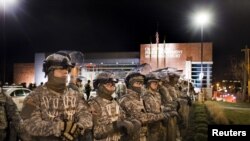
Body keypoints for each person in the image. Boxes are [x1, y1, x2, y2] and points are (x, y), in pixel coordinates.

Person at [20, 52, 93, 141]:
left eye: (67, 68)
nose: (65, 71)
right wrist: (60, 127)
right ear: (50, 71)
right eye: (60, 68)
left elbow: (87, 116)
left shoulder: (76, 95)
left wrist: (78, 128)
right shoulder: (33, 97)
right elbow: (28, 124)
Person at [88, 71, 140, 141]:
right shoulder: (93, 104)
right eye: (108, 83)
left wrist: (131, 122)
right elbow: (96, 133)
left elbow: (122, 119)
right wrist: (116, 125)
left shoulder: (115, 102)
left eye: (113, 83)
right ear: (99, 86)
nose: (112, 85)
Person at [119, 72, 169, 141]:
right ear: (130, 84)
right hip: (134, 137)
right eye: (137, 83)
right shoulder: (127, 100)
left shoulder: (139, 98)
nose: (140, 86)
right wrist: (161, 116)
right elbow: (141, 117)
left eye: (141, 84)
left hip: (144, 134)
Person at [142, 73, 168, 141]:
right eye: (154, 82)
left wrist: (163, 110)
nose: (156, 83)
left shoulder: (157, 95)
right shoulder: (145, 96)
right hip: (151, 128)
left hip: (160, 125)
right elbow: (147, 113)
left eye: (157, 82)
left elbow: (159, 107)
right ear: (148, 83)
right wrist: (161, 115)